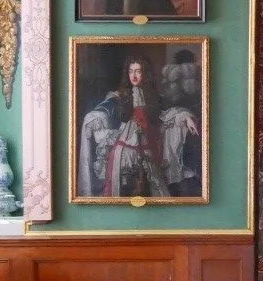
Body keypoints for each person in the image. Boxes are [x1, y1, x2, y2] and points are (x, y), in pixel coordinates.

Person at [77, 54, 200, 198]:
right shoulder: (120, 96)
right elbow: (106, 108)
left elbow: (166, 114)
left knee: (152, 180)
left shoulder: (152, 96)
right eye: (131, 71)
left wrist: (186, 118)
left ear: (145, 73)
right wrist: (96, 116)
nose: (134, 76)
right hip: (126, 143)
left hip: (148, 143)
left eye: (138, 71)